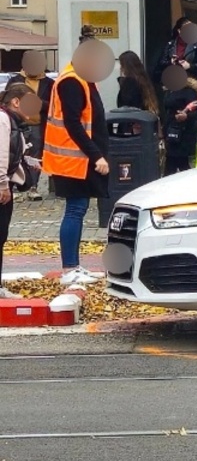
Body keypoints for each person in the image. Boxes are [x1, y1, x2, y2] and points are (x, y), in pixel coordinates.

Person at [44, 39, 114, 287]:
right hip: (74, 161)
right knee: (75, 210)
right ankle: (70, 267)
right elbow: (73, 124)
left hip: (76, 159)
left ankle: (73, 265)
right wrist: (96, 156)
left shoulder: (80, 79)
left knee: (78, 209)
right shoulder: (72, 81)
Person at [0, 83, 42, 297]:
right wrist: (2, 184)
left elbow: (14, 152)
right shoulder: (3, 120)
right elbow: (1, 154)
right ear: (16, 102)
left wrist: (31, 162)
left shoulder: (11, 121)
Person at [17, 49, 53, 200]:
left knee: (35, 156)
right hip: (18, 124)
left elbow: (54, 105)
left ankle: (33, 186)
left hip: (38, 124)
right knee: (16, 153)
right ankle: (16, 185)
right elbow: (7, 102)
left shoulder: (49, 83)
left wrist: (38, 103)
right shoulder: (16, 81)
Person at [160, 64, 197, 175]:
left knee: (177, 164)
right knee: (176, 164)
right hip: (171, 131)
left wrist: (186, 116)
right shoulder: (170, 90)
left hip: (182, 133)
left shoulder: (188, 92)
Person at [154, 18, 197, 86]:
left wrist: (190, 66)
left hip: (190, 83)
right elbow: (161, 63)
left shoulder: (196, 45)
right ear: (179, 31)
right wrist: (171, 62)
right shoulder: (171, 44)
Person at [116, 51, 160, 117]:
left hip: (132, 119)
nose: (120, 68)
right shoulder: (144, 80)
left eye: (121, 65)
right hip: (144, 118)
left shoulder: (129, 83)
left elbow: (126, 105)